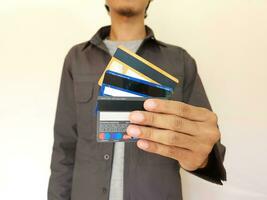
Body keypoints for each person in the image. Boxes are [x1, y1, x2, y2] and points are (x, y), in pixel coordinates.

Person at [48, 1, 226, 200]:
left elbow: (206, 143)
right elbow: (64, 147)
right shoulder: (76, 59)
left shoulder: (180, 61)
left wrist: (204, 159)